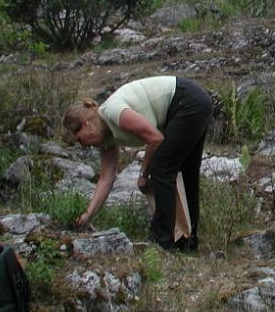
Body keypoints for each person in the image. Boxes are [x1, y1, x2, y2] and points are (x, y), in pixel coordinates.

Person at [62, 75, 213, 251]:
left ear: (86, 124)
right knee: (186, 174)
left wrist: (143, 173)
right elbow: (106, 178)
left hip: (187, 101)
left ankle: (161, 241)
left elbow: (155, 138)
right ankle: (187, 242)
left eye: (81, 140)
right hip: (194, 103)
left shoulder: (113, 112)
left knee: (161, 170)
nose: (86, 146)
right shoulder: (106, 139)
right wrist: (87, 215)